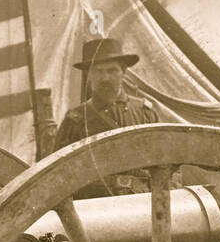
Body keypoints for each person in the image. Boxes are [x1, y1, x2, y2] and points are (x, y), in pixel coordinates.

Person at [54, 38, 160, 194]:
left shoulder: (145, 113)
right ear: (89, 75)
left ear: (123, 72)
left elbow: (166, 163)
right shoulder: (75, 120)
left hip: (141, 205)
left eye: (112, 71)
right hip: (95, 209)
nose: (105, 78)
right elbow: (57, 174)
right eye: (99, 71)